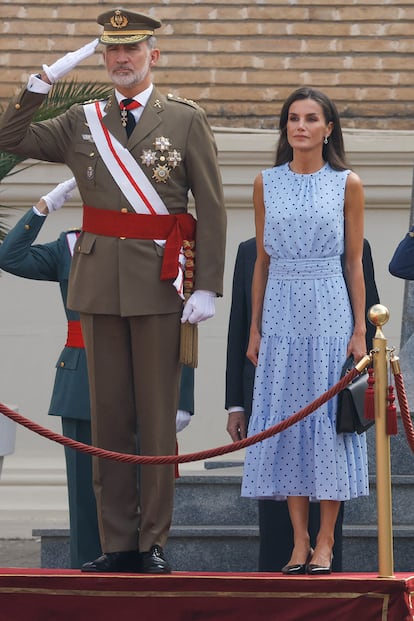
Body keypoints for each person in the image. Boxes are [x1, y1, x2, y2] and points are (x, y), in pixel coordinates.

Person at [0, 9, 226, 574]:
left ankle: (151, 541)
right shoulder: (82, 119)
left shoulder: (183, 120)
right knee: (108, 416)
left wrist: (209, 287)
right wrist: (41, 82)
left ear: (154, 54)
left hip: (158, 280)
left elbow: (213, 206)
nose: (121, 60)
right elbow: (10, 138)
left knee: (154, 418)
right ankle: (117, 541)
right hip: (97, 283)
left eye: (132, 50)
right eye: (111, 52)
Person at [0, 179, 195, 569]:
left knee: (144, 484)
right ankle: (88, 576)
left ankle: (144, 564)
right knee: (87, 493)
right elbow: (11, 257)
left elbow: (181, 320)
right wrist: (45, 204)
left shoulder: (156, 240)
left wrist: (182, 395)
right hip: (83, 381)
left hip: (146, 378)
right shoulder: (70, 247)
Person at [239, 87, 369, 576]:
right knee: (290, 421)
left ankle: (326, 541)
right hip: (281, 311)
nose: (300, 126)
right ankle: (297, 542)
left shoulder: (347, 183)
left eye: (311, 118)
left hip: (330, 306)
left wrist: (358, 328)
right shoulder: (265, 183)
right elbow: (262, 263)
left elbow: (354, 264)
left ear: (328, 128)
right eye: (293, 118)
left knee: (327, 425)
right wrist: (254, 327)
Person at [225, 236, 379, 572]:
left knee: (330, 478)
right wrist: (236, 404)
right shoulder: (251, 250)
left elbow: (368, 323)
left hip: (329, 390)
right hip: (276, 389)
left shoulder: (350, 245)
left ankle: (325, 552)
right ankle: (280, 579)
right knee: (274, 520)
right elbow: (240, 327)